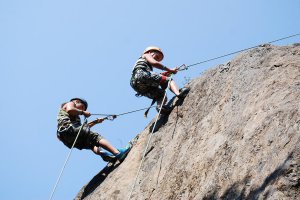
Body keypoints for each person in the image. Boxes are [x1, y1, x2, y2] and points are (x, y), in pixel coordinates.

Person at [56, 98, 131, 162]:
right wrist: (83, 112)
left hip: (68, 139)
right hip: (70, 129)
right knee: (96, 137)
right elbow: (70, 110)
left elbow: (83, 129)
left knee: (91, 144)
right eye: (82, 107)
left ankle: (104, 154)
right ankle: (117, 153)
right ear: (76, 101)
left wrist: (96, 122)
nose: (81, 110)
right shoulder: (70, 103)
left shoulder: (74, 118)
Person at [130, 46, 189, 114]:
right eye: (157, 56)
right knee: (168, 80)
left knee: (161, 94)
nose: (157, 59)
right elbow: (154, 63)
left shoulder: (144, 65)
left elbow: (155, 76)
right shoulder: (146, 55)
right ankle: (179, 93)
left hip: (137, 85)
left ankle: (160, 107)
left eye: (158, 59)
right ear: (150, 52)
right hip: (141, 74)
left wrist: (168, 72)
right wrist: (169, 69)